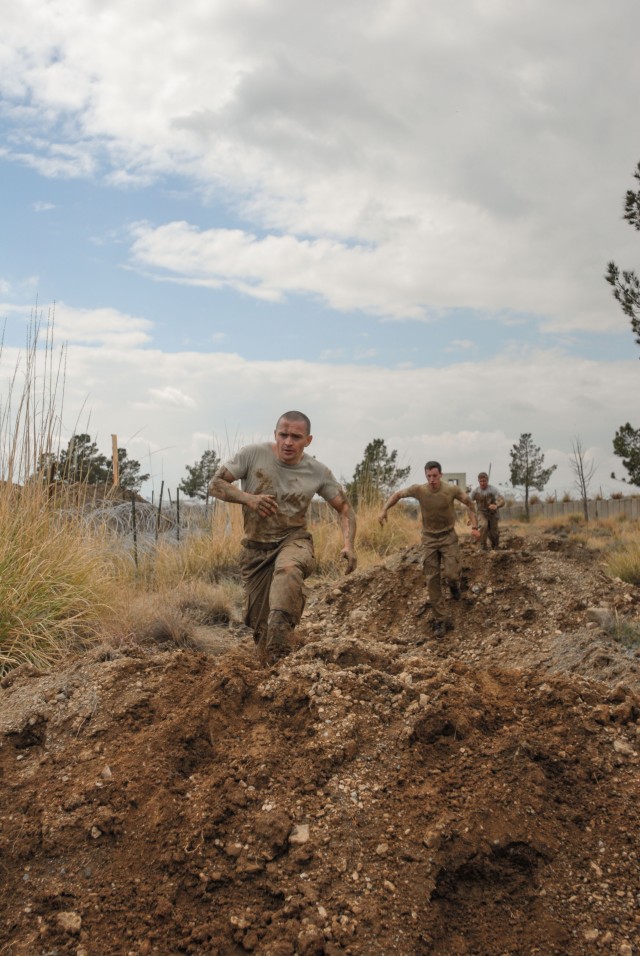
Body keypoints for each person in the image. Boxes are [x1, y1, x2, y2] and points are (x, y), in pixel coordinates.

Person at [209, 411, 357, 664]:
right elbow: (215, 484)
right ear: (275, 435)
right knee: (259, 626)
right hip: (256, 550)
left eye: (296, 437)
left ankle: (283, 650)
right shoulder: (252, 454)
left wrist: (348, 545)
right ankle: (271, 663)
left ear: (308, 440)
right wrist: (249, 499)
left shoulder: (317, 471)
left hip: (294, 541)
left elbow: (345, 508)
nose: (288, 442)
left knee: (288, 571)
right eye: (283, 435)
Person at [378, 461, 479, 638]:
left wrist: (475, 524)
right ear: (426, 476)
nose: (432, 479)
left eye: (435, 476)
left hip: (448, 537)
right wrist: (384, 510)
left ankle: (455, 586)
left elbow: (470, 503)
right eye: (429, 476)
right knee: (432, 578)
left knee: (451, 575)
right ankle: (440, 620)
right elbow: (398, 495)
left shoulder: (450, 490)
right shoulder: (420, 490)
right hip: (429, 539)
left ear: (440, 475)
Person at [470, 471, 505, 551]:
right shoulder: (475, 492)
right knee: (483, 526)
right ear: (478, 481)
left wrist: (496, 506)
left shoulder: (493, 490)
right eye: (480, 481)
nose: (482, 483)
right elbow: (468, 502)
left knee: (493, 533)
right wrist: (471, 516)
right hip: (481, 513)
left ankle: (495, 546)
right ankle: (483, 546)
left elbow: (502, 501)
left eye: (484, 481)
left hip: (493, 513)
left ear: (487, 480)